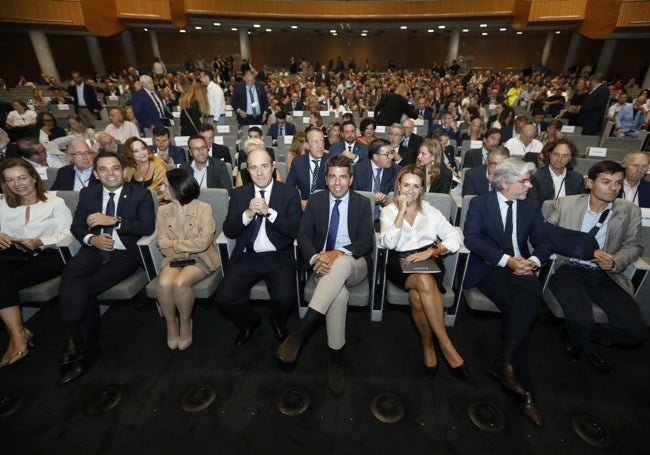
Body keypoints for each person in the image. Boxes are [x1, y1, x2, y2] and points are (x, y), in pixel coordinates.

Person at [463, 158, 553, 427]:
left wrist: (533, 261)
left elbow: (544, 240)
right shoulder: (480, 204)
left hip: (523, 267)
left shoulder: (530, 205)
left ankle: (507, 366)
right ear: (505, 184)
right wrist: (507, 260)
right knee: (525, 309)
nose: (529, 184)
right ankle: (522, 387)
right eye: (524, 180)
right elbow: (472, 238)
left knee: (525, 299)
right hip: (490, 268)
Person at [276, 154, 374, 396]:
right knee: (338, 297)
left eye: (343, 177)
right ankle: (336, 359)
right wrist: (315, 258)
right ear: (326, 179)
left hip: (354, 264)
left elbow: (366, 242)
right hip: (323, 266)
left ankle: (300, 332)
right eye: (332, 177)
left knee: (340, 264)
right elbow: (303, 236)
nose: (338, 183)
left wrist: (336, 253)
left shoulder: (362, 203)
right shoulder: (316, 201)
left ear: (351, 179)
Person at [57, 151, 155, 384]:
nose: (110, 174)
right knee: (71, 271)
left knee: (87, 288)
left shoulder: (140, 194)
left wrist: (115, 221)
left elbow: (147, 227)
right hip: (94, 248)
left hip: (124, 253)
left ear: (123, 170)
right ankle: (73, 339)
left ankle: (88, 349)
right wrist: (92, 239)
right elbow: (77, 227)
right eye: (103, 169)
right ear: (96, 173)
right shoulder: (89, 193)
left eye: (115, 168)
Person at [546, 160, 646, 374]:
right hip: (568, 269)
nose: (613, 188)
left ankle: (578, 335)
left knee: (635, 331)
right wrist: (581, 250)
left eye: (618, 183)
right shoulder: (566, 204)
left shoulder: (629, 211)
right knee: (581, 318)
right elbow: (545, 235)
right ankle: (585, 344)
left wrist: (615, 260)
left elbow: (634, 245)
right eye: (606, 182)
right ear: (590, 182)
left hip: (605, 274)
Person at [379, 165, 466, 378]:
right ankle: (446, 344)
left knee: (418, 294)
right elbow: (388, 243)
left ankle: (429, 345)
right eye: (406, 185)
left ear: (421, 190)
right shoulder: (388, 211)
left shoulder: (431, 211)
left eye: (415, 186)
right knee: (424, 284)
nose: (410, 190)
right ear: (399, 186)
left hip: (428, 261)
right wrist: (400, 212)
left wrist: (433, 251)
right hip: (399, 262)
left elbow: (455, 236)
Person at [215, 148, 302, 346]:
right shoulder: (239, 194)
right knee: (224, 298)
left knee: (286, 297)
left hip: (278, 256)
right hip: (247, 256)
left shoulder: (289, 193)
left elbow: (295, 230)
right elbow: (228, 231)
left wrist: (269, 212)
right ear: (248, 171)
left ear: (272, 168)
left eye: (264, 166)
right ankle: (249, 322)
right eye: (254, 168)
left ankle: (277, 320)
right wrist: (247, 214)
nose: (259, 172)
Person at [0, 158, 72, 366]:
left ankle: (18, 335)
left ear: (33, 177)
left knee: (2, 280)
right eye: (10, 180)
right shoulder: (3, 204)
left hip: (50, 254)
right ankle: (19, 332)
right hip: (14, 256)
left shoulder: (54, 202)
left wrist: (40, 240)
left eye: (22, 177)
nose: (17, 184)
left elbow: (68, 235)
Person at [156, 168, 220, 350]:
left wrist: (173, 243)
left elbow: (203, 243)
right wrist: (180, 244)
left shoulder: (203, 209)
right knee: (164, 283)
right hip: (173, 258)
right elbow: (161, 243)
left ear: (178, 188)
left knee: (180, 283)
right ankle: (170, 323)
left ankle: (185, 322)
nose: (162, 189)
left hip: (201, 258)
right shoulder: (163, 211)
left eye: (166, 186)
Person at [352, 138, 400, 223]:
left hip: (387, 216)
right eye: (387, 154)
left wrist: (386, 200)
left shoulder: (396, 171)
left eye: (391, 153)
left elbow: (398, 198)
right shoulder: (357, 170)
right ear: (375, 156)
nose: (391, 157)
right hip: (362, 215)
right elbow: (354, 196)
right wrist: (370, 198)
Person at [527, 139, 585, 205]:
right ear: (550, 155)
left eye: (565, 156)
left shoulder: (577, 179)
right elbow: (533, 206)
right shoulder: (536, 177)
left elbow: (579, 206)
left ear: (570, 158)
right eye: (556, 154)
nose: (559, 159)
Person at [285, 128, 329, 207]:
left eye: (322, 141)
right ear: (307, 145)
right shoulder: (298, 162)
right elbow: (288, 188)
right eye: (315, 142)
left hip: (325, 207)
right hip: (303, 207)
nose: (320, 146)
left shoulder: (331, 161)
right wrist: (298, 202)